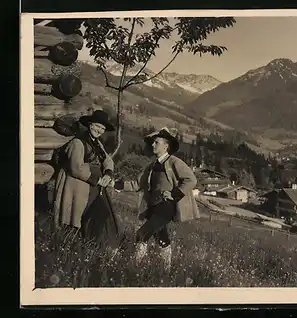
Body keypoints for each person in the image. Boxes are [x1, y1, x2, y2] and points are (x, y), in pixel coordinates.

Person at [52, 110, 120, 251]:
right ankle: (71, 247)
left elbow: (107, 160)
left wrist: (108, 173)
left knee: (99, 213)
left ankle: (96, 245)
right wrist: (97, 179)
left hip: (93, 185)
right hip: (78, 185)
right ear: (89, 125)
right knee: (76, 215)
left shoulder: (97, 144)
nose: (99, 130)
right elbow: (76, 168)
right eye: (97, 126)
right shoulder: (78, 142)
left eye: (102, 128)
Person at [134, 127, 199, 268]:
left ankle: (134, 268)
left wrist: (174, 194)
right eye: (152, 142)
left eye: (156, 142)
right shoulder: (151, 166)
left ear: (166, 146)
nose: (153, 145)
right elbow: (138, 184)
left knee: (141, 234)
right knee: (161, 238)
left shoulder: (174, 162)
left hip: (166, 207)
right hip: (153, 207)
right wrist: (114, 183)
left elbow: (191, 180)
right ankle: (166, 270)